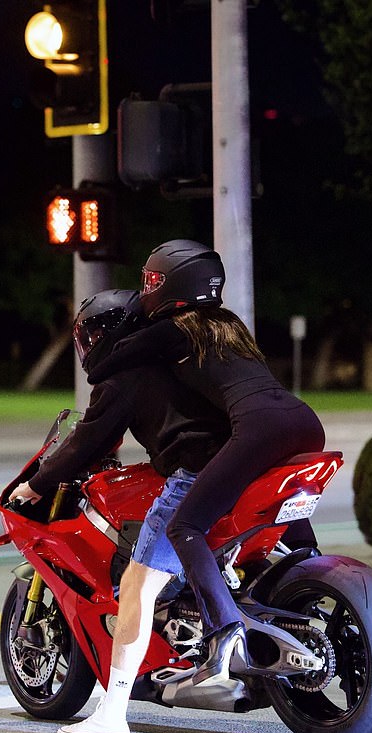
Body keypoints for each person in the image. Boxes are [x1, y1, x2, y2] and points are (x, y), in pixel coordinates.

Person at [86, 240, 326, 686]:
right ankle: (309, 584)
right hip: (304, 420)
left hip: (258, 427)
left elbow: (101, 369)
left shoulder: (173, 330)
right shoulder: (228, 324)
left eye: (151, 283)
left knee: (184, 526)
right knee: (285, 506)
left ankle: (223, 632)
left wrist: (132, 317)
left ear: (171, 286)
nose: (146, 290)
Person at [9, 288, 230, 733]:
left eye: (91, 335)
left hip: (196, 473)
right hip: (241, 461)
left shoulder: (125, 374)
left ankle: (112, 716)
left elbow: (87, 440)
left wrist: (34, 485)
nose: (88, 346)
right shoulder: (182, 359)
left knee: (136, 583)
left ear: (110, 335)